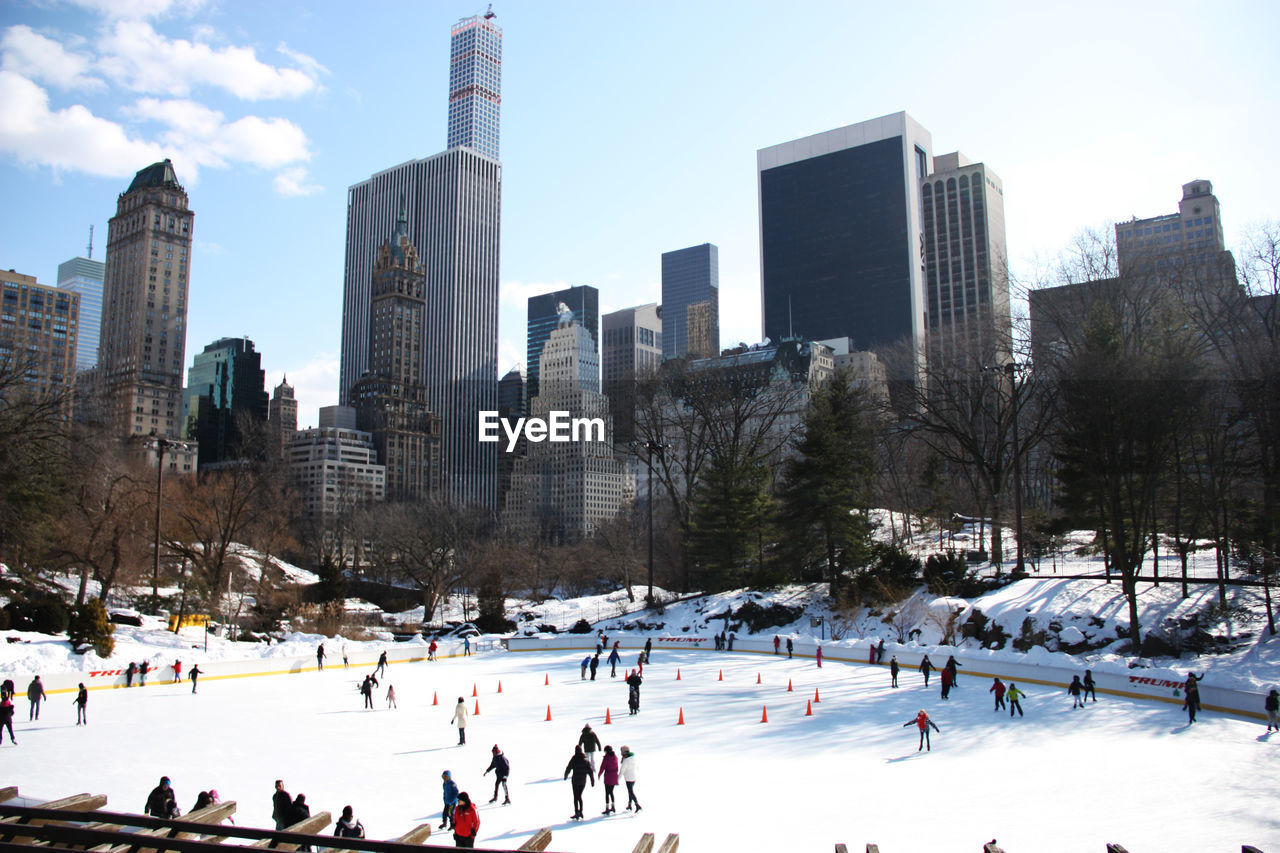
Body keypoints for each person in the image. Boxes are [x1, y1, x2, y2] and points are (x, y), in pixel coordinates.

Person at [563, 745, 595, 820]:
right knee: (579, 796)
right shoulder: (585, 760)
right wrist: (592, 781)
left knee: (576, 796)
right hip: (583, 781)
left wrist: (566, 775)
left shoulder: (574, 759)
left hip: (575, 781)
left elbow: (569, 767)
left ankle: (577, 812)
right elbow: (590, 771)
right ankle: (580, 812)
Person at [620, 745, 641, 812]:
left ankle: (637, 805)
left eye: (621, 751)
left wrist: (617, 780)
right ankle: (629, 805)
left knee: (630, 792)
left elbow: (622, 771)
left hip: (628, 778)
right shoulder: (633, 758)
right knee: (630, 791)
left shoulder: (626, 760)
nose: (621, 753)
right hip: (634, 777)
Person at [600, 744, 619, 815]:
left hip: (608, 777)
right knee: (611, 792)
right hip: (614, 777)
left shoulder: (606, 758)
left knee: (607, 793)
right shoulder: (615, 757)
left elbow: (603, 767)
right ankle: (613, 806)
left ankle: (607, 808)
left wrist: (599, 774)